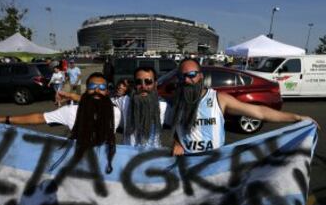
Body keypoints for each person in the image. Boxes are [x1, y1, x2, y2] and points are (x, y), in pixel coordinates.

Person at [172, 58, 319, 156]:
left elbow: (260, 112)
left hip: (214, 162)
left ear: (201, 76)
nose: (187, 80)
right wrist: (177, 142)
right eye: (182, 76)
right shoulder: (176, 101)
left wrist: (297, 117)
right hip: (186, 163)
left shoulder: (219, 99)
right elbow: (175, 128)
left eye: (192, 74)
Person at [0, 72, 120, 134]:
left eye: (101, 87)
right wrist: (1, 119)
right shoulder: (70, 111)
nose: (97, 90)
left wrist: (70, 95)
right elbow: (38, 118)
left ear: (107, 91)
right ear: (86, 90)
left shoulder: (116, 111)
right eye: (92, 87)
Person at [116, 67, 169, 148]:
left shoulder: (163, 105)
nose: (143, 86)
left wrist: (177, 142)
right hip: (129, 156)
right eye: (138, 82)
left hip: (153, 156)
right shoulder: (124, 101)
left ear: (155, 84)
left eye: (148, 82)